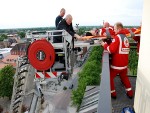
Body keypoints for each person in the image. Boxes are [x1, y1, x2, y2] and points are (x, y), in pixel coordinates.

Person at [100, 22, 133, 98]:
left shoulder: (117, 37)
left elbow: (111, 50)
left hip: (117, 65)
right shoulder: (125, 37)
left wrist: (104, 44)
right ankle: (130, 93)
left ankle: (113, 94)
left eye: (115, 29)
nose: (114, 31)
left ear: (118, 29)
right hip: (124, 64)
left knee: (109, 78)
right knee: (124, 77)